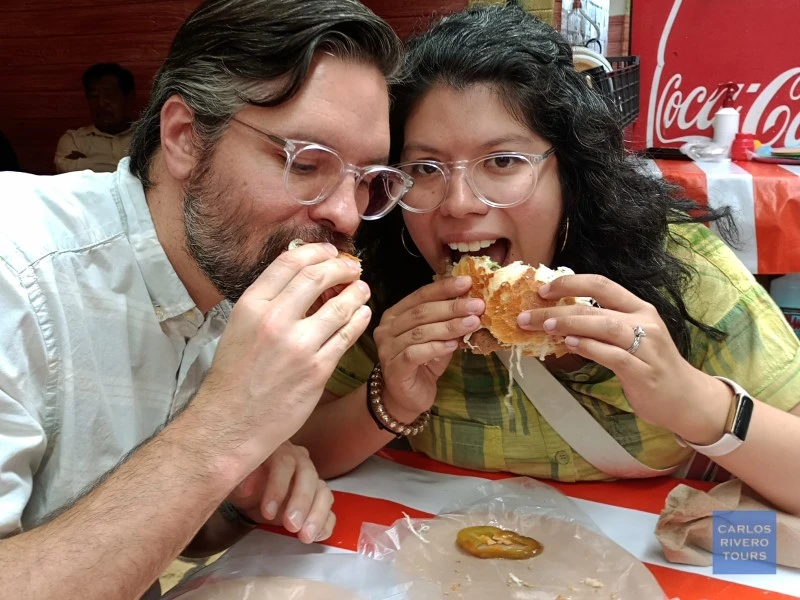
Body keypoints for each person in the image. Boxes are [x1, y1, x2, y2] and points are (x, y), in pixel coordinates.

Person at [295, 4, 800, 515]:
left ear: (570, 172)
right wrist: (389, 402)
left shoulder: (681, 267)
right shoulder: (383, 287)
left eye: (503, 161)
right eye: (425, 167)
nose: (459, 203)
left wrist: (693, 401)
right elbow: (293, 459)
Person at [0, 1, 406, 598]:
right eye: (308, 162)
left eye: (367, 179)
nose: (346, 214)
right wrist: (224, 427)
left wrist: (239, 498)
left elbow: (167, 536)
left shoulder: (228, 272)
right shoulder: (18, 270)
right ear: (185, 138)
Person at [54, 63, 136, 173]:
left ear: (128, 97)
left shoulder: (148, 138)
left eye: (110, 95)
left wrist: (86, 163)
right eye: (94, 96)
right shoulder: (74, 140)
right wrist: (131, 169)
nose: (101, 103)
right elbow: (64, 171)